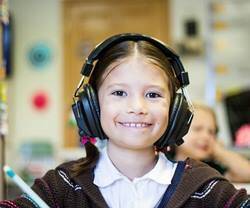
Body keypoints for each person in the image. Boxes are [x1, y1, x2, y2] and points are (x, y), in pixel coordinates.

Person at [1, 33, 249, 208]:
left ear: (176, 110)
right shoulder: (63, 186)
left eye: (153, 95)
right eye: (119, 93)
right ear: (92, 105)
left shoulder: (204, 188)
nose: (136, 107)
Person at [172, 102, 250, 183]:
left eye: (211, 132)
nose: (206, 136)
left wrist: (219, 151)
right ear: (177, 131)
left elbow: (247, 174)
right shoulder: (164, 164)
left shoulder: (212, 170)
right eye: (197, 129)